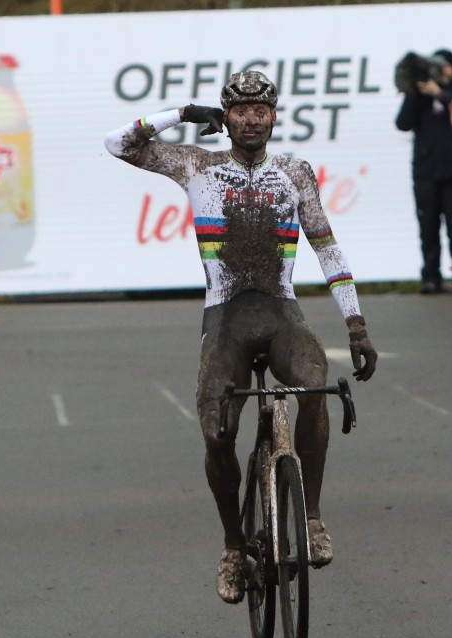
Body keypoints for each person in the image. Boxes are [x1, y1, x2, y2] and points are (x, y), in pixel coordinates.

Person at [104, 70, 378, 604]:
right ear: (225, 117)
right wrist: (182, 114)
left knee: (314, 386)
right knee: (215, 433)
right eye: (240, 109)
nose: (251, 117)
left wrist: (357, 325)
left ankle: (314, 518)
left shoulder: (294, 172)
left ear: (275, 116)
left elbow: (327, 247)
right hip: (224, 320)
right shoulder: (195, 164)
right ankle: (234, 545)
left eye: (262, 109)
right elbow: (117, 143)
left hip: (281, 316)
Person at [395, 50, 452, 293]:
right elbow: (402, 123)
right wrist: (415, 93)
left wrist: (438, 93)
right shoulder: (418, 95)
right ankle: (431, 276)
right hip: (426, 172)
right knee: (428, 226)